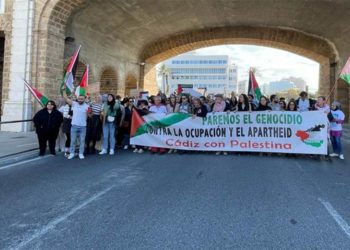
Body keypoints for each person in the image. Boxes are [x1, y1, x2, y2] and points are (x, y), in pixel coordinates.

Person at [62, 88, 91, 160]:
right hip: (74, 126)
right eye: (79, 99)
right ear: (77, 99)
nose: (80, 100)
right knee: (73, 141)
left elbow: (90, 115)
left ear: (84, 99)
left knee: (82, 141)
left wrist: (89, 112)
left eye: (82, 99)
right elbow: (66, 99)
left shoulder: (87, 106)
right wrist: (63, 90)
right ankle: (72, 153)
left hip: (83, 127)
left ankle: (81, 153)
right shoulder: (74, 104)